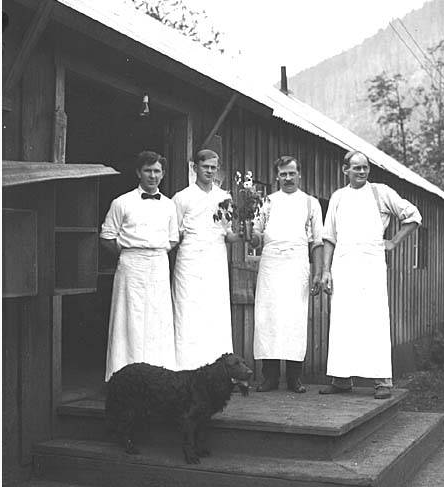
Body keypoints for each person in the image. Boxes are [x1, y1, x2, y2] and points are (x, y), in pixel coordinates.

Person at [320, 150, 422, 399]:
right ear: (345, 170)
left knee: (374, 320)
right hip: (343, 266)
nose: (362, 172)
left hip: (372, 266)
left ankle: (383, 381)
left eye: (365, 167)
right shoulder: (338, 197)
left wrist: (394, 242)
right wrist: (325, 270)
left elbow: (413, 216)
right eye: (356, 168)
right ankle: (342, 379)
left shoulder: (382, 192)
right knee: (343, 321)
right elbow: (329, 237)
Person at [100, 150, 179, 382]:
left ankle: (160, 377)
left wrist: (152, 253)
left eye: (157, 171)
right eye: (148, 170)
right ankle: (122, 378)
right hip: (130, 264)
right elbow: (107, 236)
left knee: (158, 319)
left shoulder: (169, 206)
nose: (152, 176)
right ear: (138, 172)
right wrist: (129, 253)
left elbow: (173, 238)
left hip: (157, 264)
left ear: (163, 174)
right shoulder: (121, 202)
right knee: (128, 318)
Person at [252, 155, 323, 394]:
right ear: (277, 177)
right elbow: (256, 234)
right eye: (283, 174)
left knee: (294, 319)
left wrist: (318, 272)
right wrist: (248, 230)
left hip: (297, 263)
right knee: (268, 317)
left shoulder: (310, 203)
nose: (288, 178)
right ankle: (269, 377)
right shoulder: (267, 202)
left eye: (292, 173)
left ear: (299, 174)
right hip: (271, 263)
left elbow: (317, 241)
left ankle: (295, 378)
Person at [171, 149, 241, 370]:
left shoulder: (224, 197)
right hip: (190, 261)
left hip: (215, 260)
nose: (210, 171)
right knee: (188, 310)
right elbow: (173, 233)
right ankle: (187, 367)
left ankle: (217, 368)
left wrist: (244, 234)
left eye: (213, 167)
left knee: (215, 310)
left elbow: (228, 233)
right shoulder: (182, 198)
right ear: (195, 168)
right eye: (205, 167)